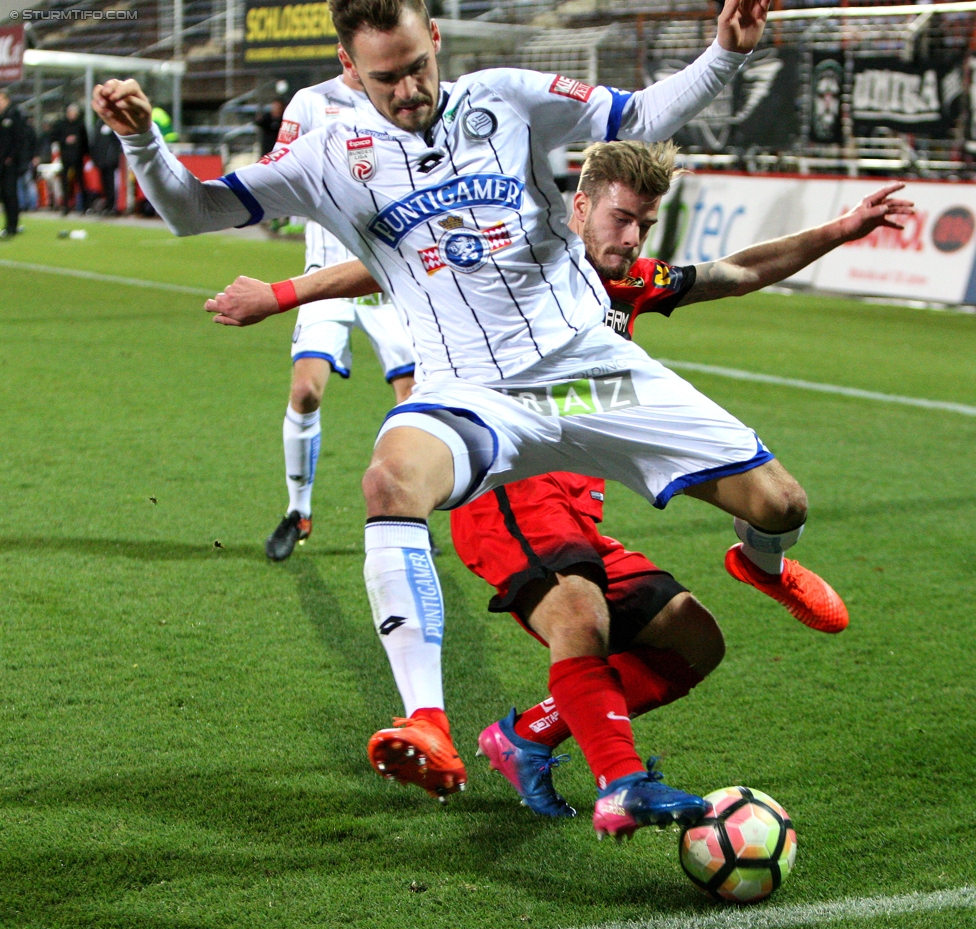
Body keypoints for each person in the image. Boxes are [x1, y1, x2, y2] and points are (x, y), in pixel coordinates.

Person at [93, 0, 786, 832]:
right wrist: (143, 139)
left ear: (437, 44)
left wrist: (723, 54)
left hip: (589, 372)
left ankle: (763, 565)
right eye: (387, 76)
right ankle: (429, 717)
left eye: (419, 64)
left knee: (782, 506)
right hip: (473, 390)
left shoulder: (504, 96)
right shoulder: (326, 155)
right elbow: (191, 210)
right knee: (390, 480)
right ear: (350, 71)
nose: (411, 87)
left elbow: (637, 113)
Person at [202, 144, 911, 835]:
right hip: (504, 485)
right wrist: (281, 294)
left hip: (576, 511)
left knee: (694, 641)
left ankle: (527, 735)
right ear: (579, 206)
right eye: (620, 217)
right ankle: (621, 784)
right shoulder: (519, 251)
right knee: (581, 618)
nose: (631, 236)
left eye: (644, 221)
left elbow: (740, 270)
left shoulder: (632, 278)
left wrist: (841, 229)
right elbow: (385, 264)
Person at [261, 67, 418, 562]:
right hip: (325, 275)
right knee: (305, 391)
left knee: (414, 400)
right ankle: (298, 511)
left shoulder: (400, 98)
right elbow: (278, 163)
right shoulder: (310, 102)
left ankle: (409, 510)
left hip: (387, 278)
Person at [0, 88, 30, 238]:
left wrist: (12, 157)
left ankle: (13, 225)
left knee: (10, 193)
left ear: (7, 100)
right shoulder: (2, 116)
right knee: (4, 194)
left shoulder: (14, 115)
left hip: (10, 163)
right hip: (2, 163)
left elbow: (19, 139)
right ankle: (8, 224)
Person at [51, 104, 89, 215]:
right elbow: (54, 137)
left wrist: (85, 154)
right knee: (65, 182)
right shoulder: (61, 125)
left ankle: (83, 206)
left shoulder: (80, 125)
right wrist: (64, 140)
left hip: (78, 157)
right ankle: (66, 206)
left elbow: (85, 140)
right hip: (66, 157)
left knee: (80, 181)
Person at [90, 122, 122, 214]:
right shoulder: (98, 125)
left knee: (112, 184)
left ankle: (113, 206)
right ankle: (108, 205)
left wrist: (113, 159)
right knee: (105, 185)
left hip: (110, 161)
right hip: (101, 161)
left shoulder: (112, 124)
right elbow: (95, 143)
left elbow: (117, 142)